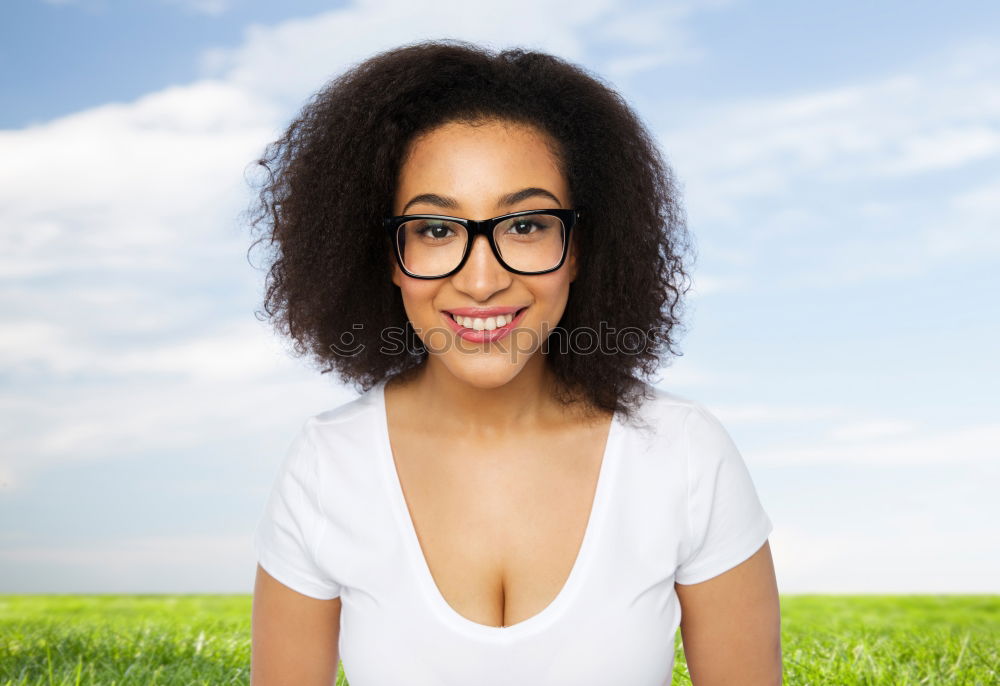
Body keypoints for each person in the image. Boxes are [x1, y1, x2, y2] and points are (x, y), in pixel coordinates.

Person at [247, 40, 781, 686]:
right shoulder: (325, 467)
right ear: (389, 254)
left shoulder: (685, 456)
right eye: (437, 230)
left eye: (525, 226)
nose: (480, 282)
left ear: (579, 246)